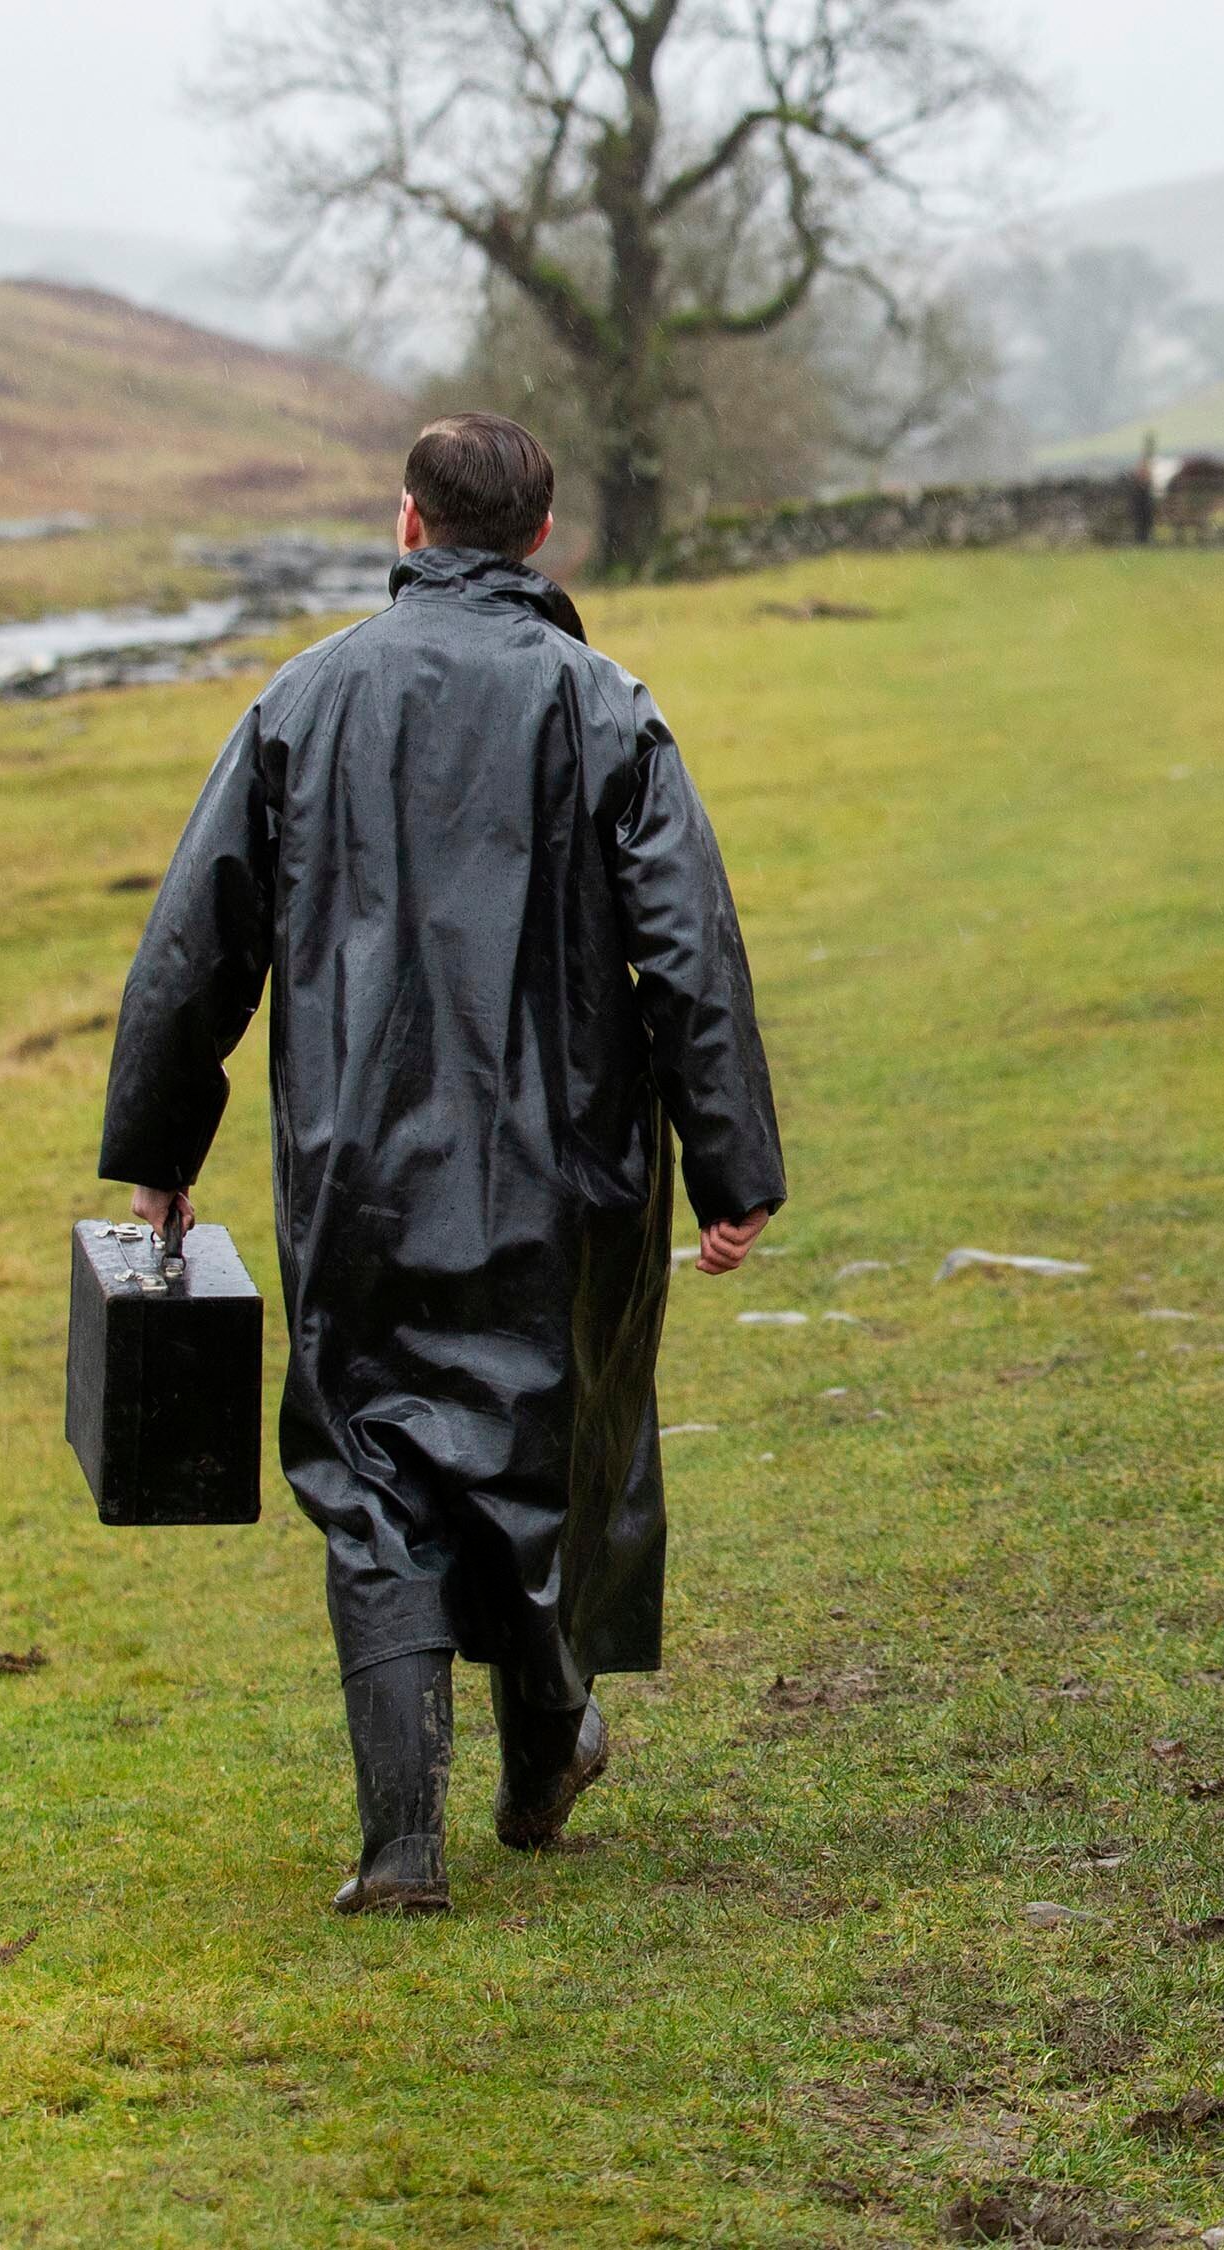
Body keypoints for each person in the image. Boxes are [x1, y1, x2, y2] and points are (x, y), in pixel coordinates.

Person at [99, 413, 786, 1916]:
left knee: (375, 1472)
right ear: (541, 539)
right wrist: (730, 1161)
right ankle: (544, 1752)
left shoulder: (304, 700)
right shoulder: (606, 708)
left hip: (358, 1168)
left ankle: (406, 1840)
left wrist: (158, 1156)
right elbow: (691, 947)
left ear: (409, 526)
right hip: (577, 1175)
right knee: (553, 1451)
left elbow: (193, 946)